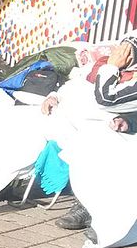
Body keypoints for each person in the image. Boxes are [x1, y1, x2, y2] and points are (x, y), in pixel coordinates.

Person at [40, 39, 137, 235]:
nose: (120, 54)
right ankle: (89, 205)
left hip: (119, 133)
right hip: (106, 124)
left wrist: (112, 67)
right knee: (79, 137)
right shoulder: (105, 66)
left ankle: (102, 215)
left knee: (96, 145)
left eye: (126, 52)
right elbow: (78, 85)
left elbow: (107, 99)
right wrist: (55, 95)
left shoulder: (117, 70)